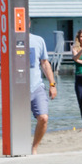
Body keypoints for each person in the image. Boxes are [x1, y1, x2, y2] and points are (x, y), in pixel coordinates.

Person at [29, 22, 57, 153]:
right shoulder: (10, 40)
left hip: (36, 86)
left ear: (28, 24)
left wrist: (52, 84)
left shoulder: (38, 40)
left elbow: (45, 63)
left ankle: (34, 148)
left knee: (43, 118)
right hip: (17, 89)